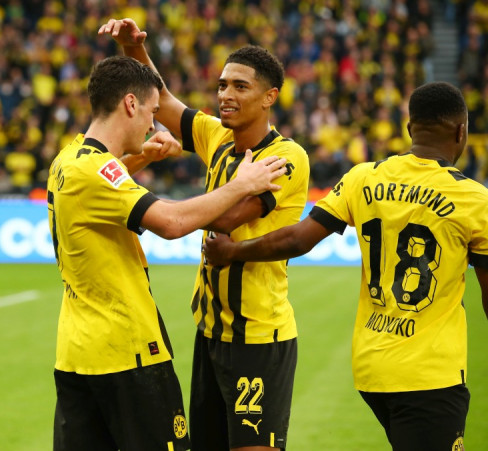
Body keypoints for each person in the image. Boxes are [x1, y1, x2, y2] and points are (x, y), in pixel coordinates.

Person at [204, 82, 488, 451]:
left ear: (408, 128)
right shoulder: (474, 199)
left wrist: (233, 251)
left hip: (371, 366)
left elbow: (298, 239)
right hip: (431, 373)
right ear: (461, 132)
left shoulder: (363, 177)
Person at [47, 55, 288, 451]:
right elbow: (172, 223)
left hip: (76, 352)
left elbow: (104, 185)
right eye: (151, 112)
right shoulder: (98, 172)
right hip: (127, 350)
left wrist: (143, 156)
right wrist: (241, 184)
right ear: (130, 104)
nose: (152, 124)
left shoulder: (68, 159)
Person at [100, 18, 310, 451]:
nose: (225, 95)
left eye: (240, 87)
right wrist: (133, 48)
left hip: (257, 336)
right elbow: (164, 101)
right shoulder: (217, 137)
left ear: (270, 97)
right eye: (222, 85)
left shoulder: (286, 157)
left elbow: (227, 217)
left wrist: (154, 209)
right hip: (211, 331)